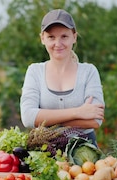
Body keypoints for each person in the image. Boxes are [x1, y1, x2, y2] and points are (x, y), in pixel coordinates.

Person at [20, 9, 105, 146]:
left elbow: (95, 120)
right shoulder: (35, 71)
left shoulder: (89, 72)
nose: (58, 44)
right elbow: (28, 117)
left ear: (74, 37)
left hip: (85, 154)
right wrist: (78, 112)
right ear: (42, 39)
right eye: (51, 37)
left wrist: (45, 120)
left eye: (64, 36)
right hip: (45, 152)